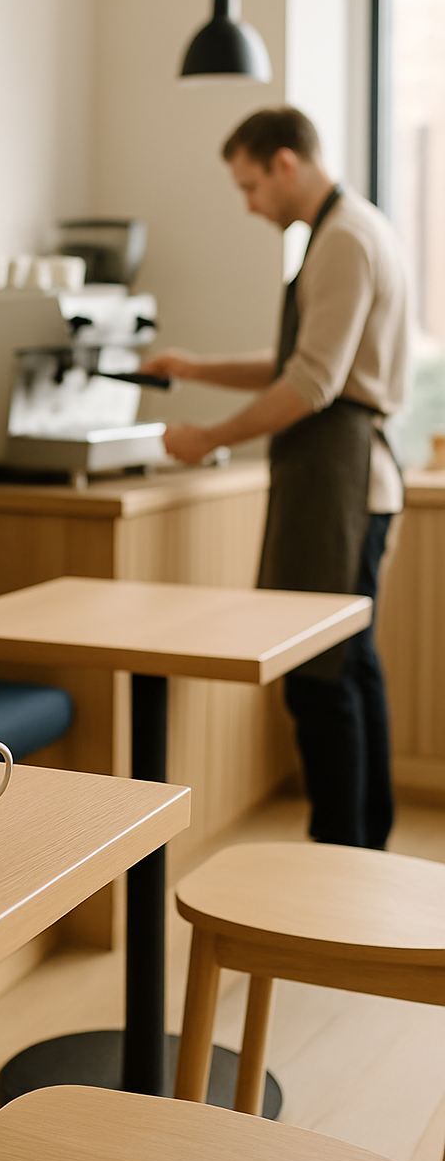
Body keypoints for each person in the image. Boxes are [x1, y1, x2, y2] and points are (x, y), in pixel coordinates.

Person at [141, 107, 408, 851]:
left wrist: (209, 438)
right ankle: (362, 848)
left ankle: (340, 861)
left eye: (251, 185)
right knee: (349, 667)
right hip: (345, 475)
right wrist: (195, 366)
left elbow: (314, 384)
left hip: (343, 480)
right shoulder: (349, 229)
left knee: (322, 678)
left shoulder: (344, 239)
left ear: (286, 163)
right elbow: (302, 362)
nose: (250, 204)